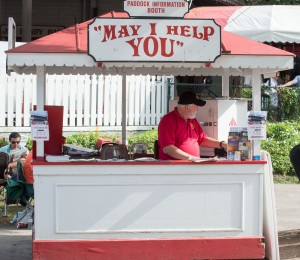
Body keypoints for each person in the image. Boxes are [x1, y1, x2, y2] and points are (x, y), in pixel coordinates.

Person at [158, 91, 227, 160]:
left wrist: (222, 144)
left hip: (193, 165)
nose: (197, 109)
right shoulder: (168, 120)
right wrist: (191, 158)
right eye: (196, 106)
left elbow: (202, 139)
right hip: (174, 167)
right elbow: (168, 148)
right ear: (187, 108)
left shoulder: (192, 120)